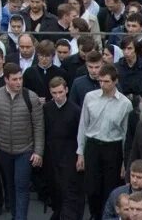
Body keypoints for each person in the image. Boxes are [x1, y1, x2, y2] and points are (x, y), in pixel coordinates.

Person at [0, 63, 45, 220]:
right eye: (15, 79)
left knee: (21, 186)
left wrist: (38, 152)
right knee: (10, 186)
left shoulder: (30, 97)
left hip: (25, 150)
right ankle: (16, 215)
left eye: (20, 78)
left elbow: (39, 126)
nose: (19, 82)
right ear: (6, 80)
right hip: (3, 149)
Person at [78, 64, 134, 220]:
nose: (102, 84)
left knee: (110, 188)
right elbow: (83, 125)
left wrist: (125, 161)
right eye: (100, 81)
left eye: (106, 81)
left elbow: (125, 135)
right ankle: (95, 215)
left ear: (115, 81)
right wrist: (80, 152)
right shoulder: (90, 97)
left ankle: (106, 216)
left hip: (113, 148)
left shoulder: (125, 104)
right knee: (91, 187)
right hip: (93, 146)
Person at [44, 76, 84, 220]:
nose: (58, 96)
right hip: (52, 154)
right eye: (54, 93)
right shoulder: (47, 108)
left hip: (70, 155)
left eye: (60, 92)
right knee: (55, 187)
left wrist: (80, 156)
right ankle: (58, 212)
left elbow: (80, 135)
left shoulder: (76, 110)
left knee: (69, 189)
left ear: (66, 90)